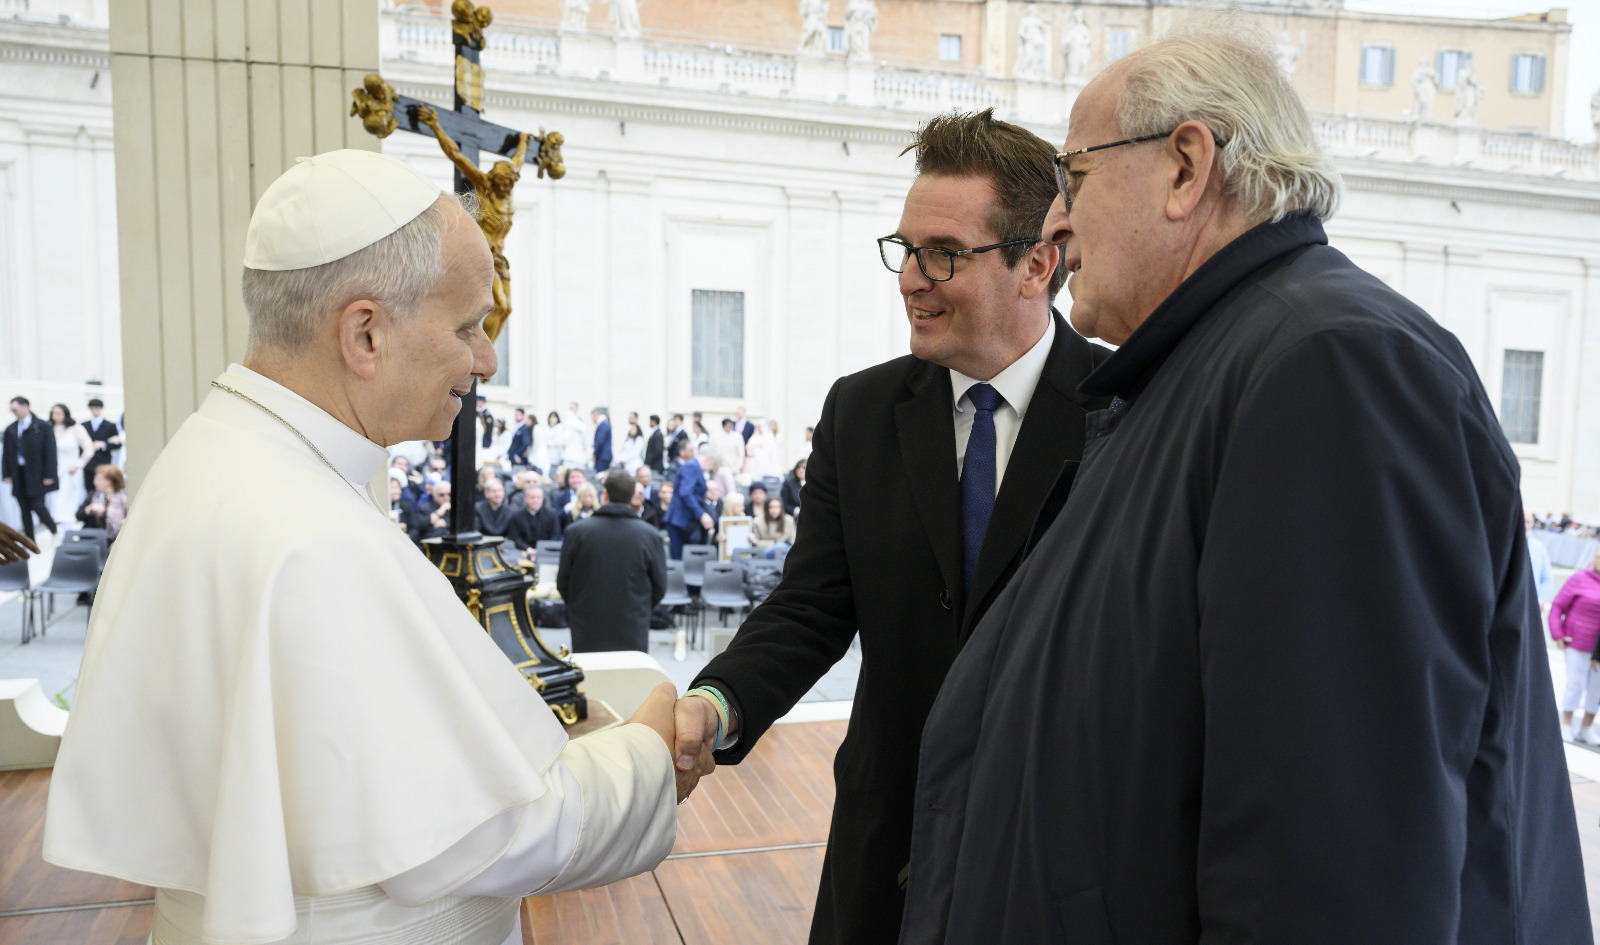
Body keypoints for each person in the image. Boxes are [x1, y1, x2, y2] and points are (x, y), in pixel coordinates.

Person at [898, 34, 1587, 944]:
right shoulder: (1210, 373)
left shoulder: (1331, 369)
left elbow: (1333, 876)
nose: (1056, 226)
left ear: (1186, 167)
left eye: (1076, 176)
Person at [43, 150, 706, 945]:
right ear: (365, 332)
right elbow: (477, 838)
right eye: (468, 326)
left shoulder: (211, 454)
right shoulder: (313, 536)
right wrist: (646, 753)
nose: (485, 361)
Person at [672, 108, 1110, 945]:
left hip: (1049, 861)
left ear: (1036, 264)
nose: (911, 277)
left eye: (943, 253)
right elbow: (810, 609)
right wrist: (719, 701)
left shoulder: (1123, 411)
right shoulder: (862, 410)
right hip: (886, 854)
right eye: (904, 249)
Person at [557, 471, 668, 653]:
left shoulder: (576, 532)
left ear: (605, 494)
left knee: (592, 678)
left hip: (586, 623)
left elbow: (563, 582)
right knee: (631, 679)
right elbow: (660, 586)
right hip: (632, 624)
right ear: (632, 496)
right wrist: (639, 608)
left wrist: (579, 607)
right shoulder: (650, 535)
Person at [1551, 550, 1600, 744]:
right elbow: (1557, 606)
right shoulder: (1579, 579)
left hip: (1599, 648)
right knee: (1575, 684)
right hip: (1577, 642)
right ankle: (1566, 724)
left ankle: (1586, 728)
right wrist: (1558, 633)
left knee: (1596, 689)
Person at [2, 396, 59, 542]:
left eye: (16, 409)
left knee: (37, 505)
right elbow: (7, 454)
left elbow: (50, 452)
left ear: (26, 407)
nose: (14, 412)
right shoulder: (11, 429)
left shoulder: (41, 426)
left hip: (37, 474)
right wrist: (6, 474)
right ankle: (30, 540)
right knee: (24, 508)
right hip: (18, 474)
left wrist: (50, 474)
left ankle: (53, 529)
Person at [664, 440, 716, 560]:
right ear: (710, 457)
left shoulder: (693, 466)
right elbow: (686, 493)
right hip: (679, 520)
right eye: (714, 464)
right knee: (679, 560)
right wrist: (702, 515)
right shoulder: (692, 466)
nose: (712, 467)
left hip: (684, 520)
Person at [48, 403, 92, 526]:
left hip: (72, 469)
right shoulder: (50, 429)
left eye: (58, 413)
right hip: (55, 469)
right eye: (53, 414)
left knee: (69, 499)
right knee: (56, 500)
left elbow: (89, 448)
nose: (55, 416)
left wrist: (78, 465)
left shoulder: (76, 429)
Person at [75, 465, 129, 543]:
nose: (94, 482)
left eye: (98, 478)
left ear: (109, 481)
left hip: (113, 541)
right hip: (91, 539)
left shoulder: (123, 499)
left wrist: (104, 513)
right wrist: (89, 509)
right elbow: (78, 515)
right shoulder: (94, 496)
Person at [505, 483, 563, 553]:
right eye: (532, 497)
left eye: (538, 497)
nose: (535, 501)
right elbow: (514, 538)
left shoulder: (552, 515)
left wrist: (541, 550)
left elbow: (555, 537)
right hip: (522, 552)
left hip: (546, 552)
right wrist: (529, 550)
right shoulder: (517, 516)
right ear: (525, 499)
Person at [81, 397, 122, 493]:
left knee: (104, 485)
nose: (95, 411)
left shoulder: (110, 425)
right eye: (93, 408)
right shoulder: (84, 425)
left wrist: (104, 445)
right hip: (89, 462)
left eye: (97, 408)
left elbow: (117, 444)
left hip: (104, 460)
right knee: (89, 487)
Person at [591, 407, 612, 472]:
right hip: (604, 456)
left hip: (602, 456)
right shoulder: (605, 424)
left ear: (595, 415)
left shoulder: (603, 424)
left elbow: (600, 441)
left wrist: (595, 454)